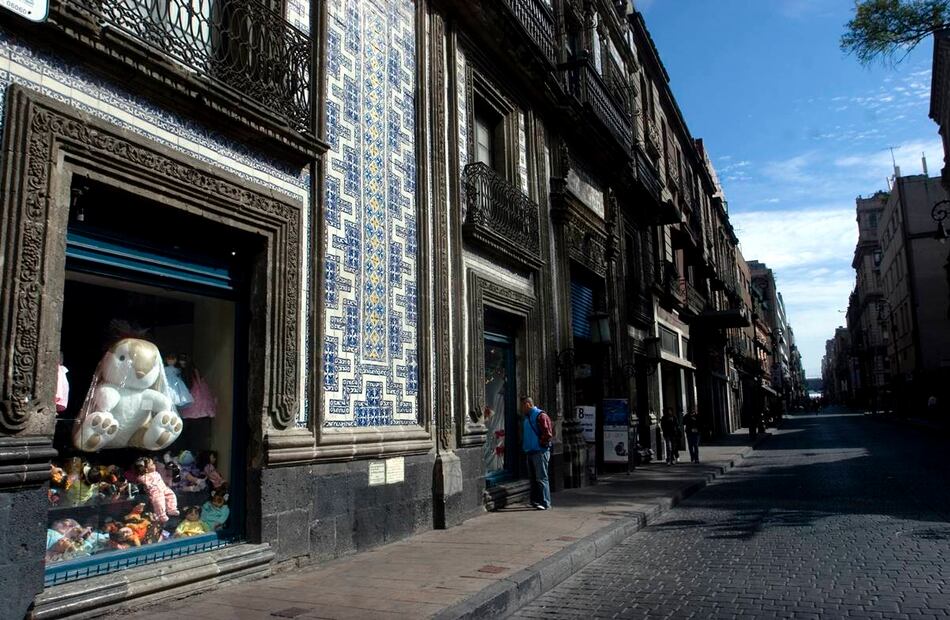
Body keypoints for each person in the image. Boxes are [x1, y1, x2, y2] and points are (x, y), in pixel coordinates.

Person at [521, 396, 553, 510]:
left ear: (528, 404)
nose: (522, 409)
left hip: (540, 451)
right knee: (533, 478)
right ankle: (534, 501)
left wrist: (540, 442)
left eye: (523, 406)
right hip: (530, 451)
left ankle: (545, 502)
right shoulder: (527, 417)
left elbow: (548, 433)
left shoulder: (540, 415)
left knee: (541, 477)